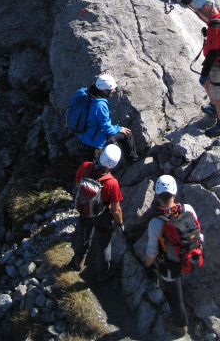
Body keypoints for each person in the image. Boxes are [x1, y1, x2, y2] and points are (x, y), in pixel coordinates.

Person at [145, 175, 203, 336]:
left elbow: (151, 251)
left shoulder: (156, 223)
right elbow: (197, 232)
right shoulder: (188, 209)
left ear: (156, 196)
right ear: (175, 193)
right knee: (178, 288)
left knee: (174, 297)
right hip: (190, 256)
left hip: (170, 266)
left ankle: (180, 324)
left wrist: (148, 265)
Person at [72, 144, 124, 281]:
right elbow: (115, 209)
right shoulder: (112, 183)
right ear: (113, 165)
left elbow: (77, 187)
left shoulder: (85, 166)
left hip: (84, 209)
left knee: (83, 235)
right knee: (104, 245)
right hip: (102, 217)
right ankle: (103, 273)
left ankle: (79, 260)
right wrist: (120, 223)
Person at [67, 72, 139, 162]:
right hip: (96, 143)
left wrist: (103, 78)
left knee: (91, 166)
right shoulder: (100, 105)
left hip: (84, 137)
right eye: (111, 88)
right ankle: (133, 160)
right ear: (105, 90)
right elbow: (107, 129)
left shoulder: (84, 92)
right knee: (127, 134)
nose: (114, 90)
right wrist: (119, 129)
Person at [193, 0, 220, 137]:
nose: (202, 12)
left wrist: (204, 73)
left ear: (207, 6)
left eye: (202, 9)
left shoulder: (215, 28)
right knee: (207, 83)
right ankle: (213, 106)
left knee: (218, 95)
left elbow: (212, 54)